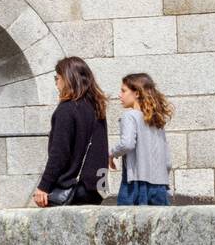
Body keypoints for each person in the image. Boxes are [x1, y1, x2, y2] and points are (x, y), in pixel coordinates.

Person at [33, 56, 109, 207]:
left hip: (70, 189)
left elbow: (59, 153)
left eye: (57, 78)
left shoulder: (66, 110)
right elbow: (101, 148)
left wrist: (44, 186)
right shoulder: (96, 108)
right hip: (95, 189)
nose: (56, 83)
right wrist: (101, 184)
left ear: (68, 79)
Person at [110, 72, 172, 206]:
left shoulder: (130, 116)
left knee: (127, 225)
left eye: (123, 91)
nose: (119, 95)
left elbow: (127, 144)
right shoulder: (157, 121)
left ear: (137, 93)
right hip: (160, 185)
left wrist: (111, 153)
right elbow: (167, 162)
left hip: (135, 185)